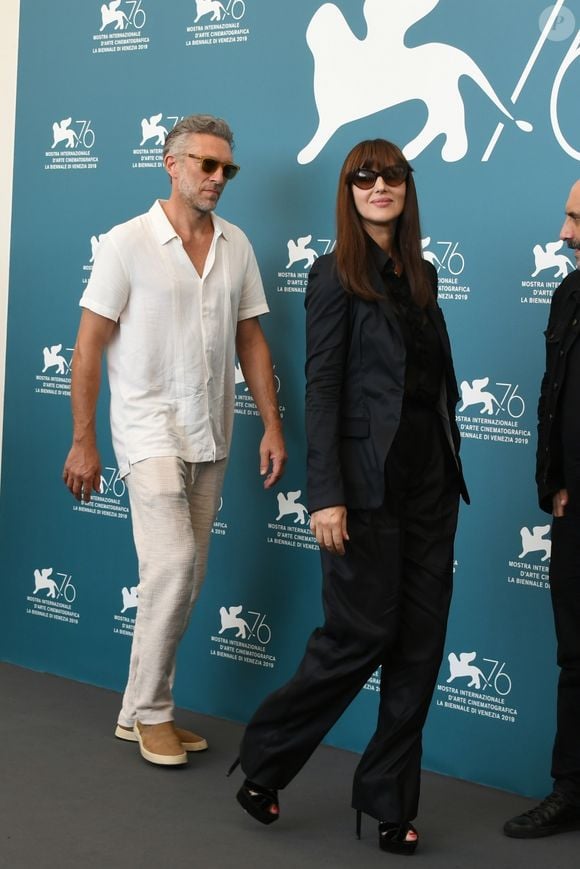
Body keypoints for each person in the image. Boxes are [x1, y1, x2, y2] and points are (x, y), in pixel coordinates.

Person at [231, 139, 468, 855]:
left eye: (391, 174)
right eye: (363, 177)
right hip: (362, 486)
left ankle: (390, 801)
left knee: (421, 647)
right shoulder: (333, 275)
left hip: (431, 479)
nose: (378, 186)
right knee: (358, 635)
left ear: (407, 187)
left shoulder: (423, 273)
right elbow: (324, 386)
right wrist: (324, 495)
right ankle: (266, 760)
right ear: (349, 191)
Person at [63, 114, 286, 767]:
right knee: (174, 563)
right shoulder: (126, 243)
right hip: (146, 426)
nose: (218, 178)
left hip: (211, 430)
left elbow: (250, 338)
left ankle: (135, 709)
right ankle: (155, 712)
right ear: (171, 161)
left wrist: (273, 422)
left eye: (227, 169)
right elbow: (88, 345)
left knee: (186, 575)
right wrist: (83, 439)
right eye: (206, 164)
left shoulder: (236, 245)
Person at [504, 180, 580, 839]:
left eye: (577, 219)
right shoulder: (568, 293)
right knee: (576, 655)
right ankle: (571, 788)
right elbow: (551, 396)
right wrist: (551, 483)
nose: (565, 233)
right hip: (572, 514)